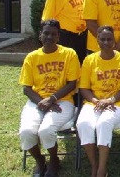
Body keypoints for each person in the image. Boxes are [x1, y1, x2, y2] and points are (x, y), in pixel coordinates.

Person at [18, 19, 80, 177]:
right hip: (36, 100)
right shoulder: (32, 57)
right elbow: (26, 88)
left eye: (53, 34)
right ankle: (40, 161)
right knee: (26, 131)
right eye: (46, 33)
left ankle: (54, 161)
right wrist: (42, 102)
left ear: (58, 37)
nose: (49, 37)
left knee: (46, 130)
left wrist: (51, 99)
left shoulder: (69, 54)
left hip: (62, 101)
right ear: (40, 35)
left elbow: (72, 83)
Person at [76, 25, 120, 177]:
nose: (106, 42)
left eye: (109, 39)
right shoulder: (89, 60)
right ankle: (94, 164)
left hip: (118, 103)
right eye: (103, 39)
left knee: (104, 122)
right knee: (83, 123)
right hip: (94, 102)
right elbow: (83, 88)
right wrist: (96, 101)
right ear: (97, 41)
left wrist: (110, 100)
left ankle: (102, 169)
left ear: (114, 41)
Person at [42, 0, 87, 64]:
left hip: (81, 35)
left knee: (80, 63)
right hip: (65, 36)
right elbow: (46, 18)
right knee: (66, 64)